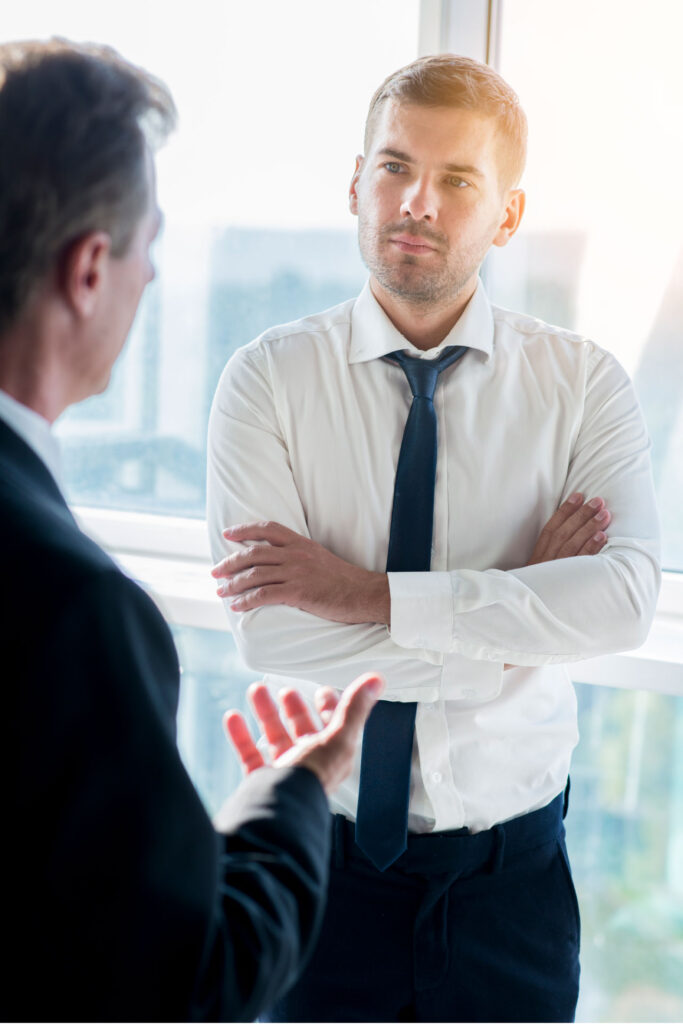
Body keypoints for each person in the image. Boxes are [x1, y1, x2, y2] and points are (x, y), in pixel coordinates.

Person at [207, 54, 661, 1022]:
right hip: (323, 869)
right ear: (353, 182)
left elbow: (621, 600)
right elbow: (270, 636)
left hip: (511, 885)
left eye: (457, 181)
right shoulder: (265, 381)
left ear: (504, 215)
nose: (416, 200)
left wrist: (360, 596)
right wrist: (509, 626)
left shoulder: (580, 386)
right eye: (393, 166)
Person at [2, 39, 383, 1023]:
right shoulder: (73, 610)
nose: (154, 277)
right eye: (148, 246)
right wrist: (293, 789)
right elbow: (188, 984)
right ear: (90, 266)